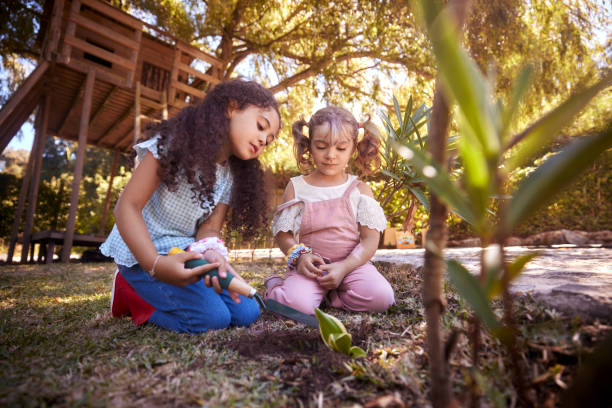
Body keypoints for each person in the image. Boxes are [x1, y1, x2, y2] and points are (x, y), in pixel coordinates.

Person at [100, 79, 281, 333]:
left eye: (269, 140)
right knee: (211, 320)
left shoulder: (230, 176)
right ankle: (130, 293)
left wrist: (213, 256)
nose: (263, 140)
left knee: (246, 312)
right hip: (142, 254)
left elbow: (208, 231)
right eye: (261, 126)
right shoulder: (172, 144)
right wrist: (155, 265)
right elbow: (126, 208)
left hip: (183, 253)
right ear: (231, 108)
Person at [264, 106, 394, 315]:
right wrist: (300, 257)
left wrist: (344, 268)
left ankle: (334, 295)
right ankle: (276, 286)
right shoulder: (297, 187)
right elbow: (283, 235)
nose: (331, 155)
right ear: (309, 146)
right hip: (310, 268)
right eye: (321, 146)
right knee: (293, 305)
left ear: (353, 149)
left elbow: (370, 240)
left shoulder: (359, 189)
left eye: (341, 148)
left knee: (381, 298)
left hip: (352, 266)